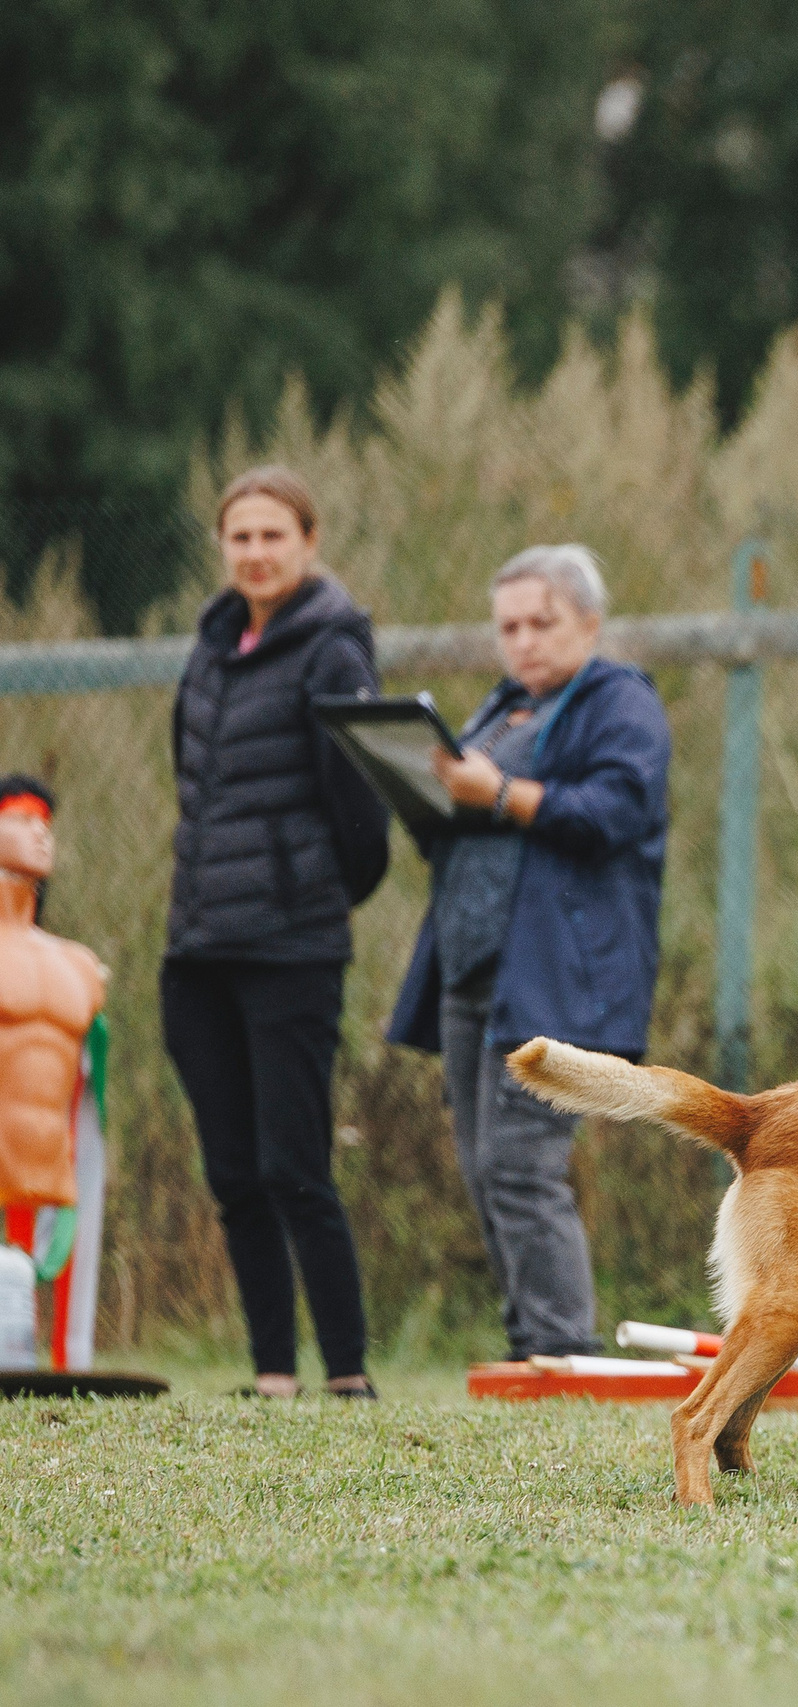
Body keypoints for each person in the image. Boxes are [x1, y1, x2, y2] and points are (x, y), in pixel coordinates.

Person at [386, 546, 670, 1361]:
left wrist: (502, 794)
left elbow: (615, 811)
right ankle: (529, 1344)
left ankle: (563, 1347)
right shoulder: (505, 707)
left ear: (590, 621)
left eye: (542, 622)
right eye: (508, 626)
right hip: (473, 968)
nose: (524, 641)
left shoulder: (620, 702)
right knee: (483, 1166)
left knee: (522, 1163)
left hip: (557, 972)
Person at [163, 466, 391, 1399]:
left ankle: (345, 1371)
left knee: (295, 1167)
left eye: (272, 535)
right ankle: (271, 1373)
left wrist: (315, 893)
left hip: (291, 948)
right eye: (240, 536)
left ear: (309, 541)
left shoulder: (333, 649)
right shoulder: (212, 647)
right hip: (198, 947)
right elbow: (192, 782)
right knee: (233, 1172)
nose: (255, 552)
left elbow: (360, 807)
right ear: (222, 546)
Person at [0, 778, 110, 1367]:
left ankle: (69, 1356)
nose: (41, 832)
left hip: (55, 1172)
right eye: (22, 818)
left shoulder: (79, 965)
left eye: (46, 822)